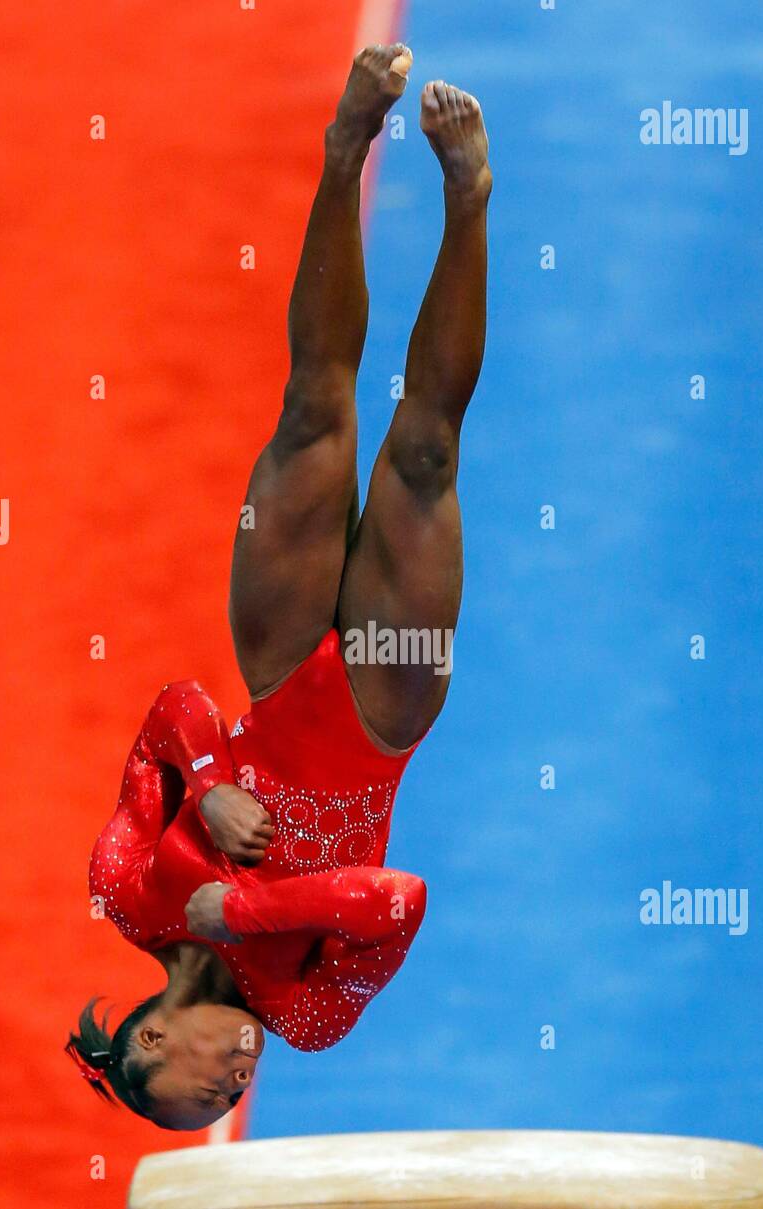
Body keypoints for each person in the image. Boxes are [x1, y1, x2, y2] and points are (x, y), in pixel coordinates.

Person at [67, 44, 491, 1129]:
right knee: (425, 454)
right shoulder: (307, 1013)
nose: (232, 1080)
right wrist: (246, 908)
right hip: (382, 710)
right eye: (232, 1094)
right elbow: (395, 899)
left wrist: (206, 781)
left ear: (149, 1035)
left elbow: (172, 710)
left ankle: (343, 146)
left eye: (200, 1083)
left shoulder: (123, 887)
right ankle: (467, 199)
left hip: (274, 652)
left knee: (312, 407)